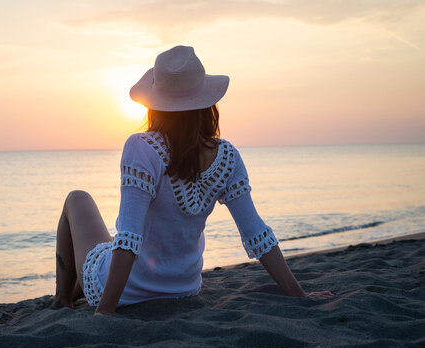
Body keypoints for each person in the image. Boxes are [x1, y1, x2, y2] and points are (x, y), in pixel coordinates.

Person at [50, 45, 333, 316]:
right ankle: (74, 292)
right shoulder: (227, 155)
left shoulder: (141, 147)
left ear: (154, 105)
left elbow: (129, 239)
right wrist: (298, 294)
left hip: (127, 294)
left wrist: (105, 311)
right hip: (183, 289)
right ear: (206, 106)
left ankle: (62, 301)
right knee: (113, 243)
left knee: (77, 198)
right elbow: (257, 234)